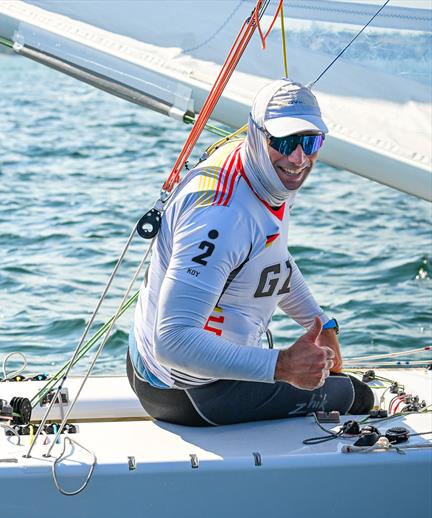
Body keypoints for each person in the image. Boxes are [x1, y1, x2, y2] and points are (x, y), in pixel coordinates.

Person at [128, 79, 373, 426]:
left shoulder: (262, 173)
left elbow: (268, 259)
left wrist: (319, 322)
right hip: (187, 392)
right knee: (356, 396)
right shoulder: (220, 216)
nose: (299, 158)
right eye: (285, 141)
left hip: (160, 369)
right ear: (257, 135)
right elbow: (173, 341)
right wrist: (282, 366)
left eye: (310, 141)